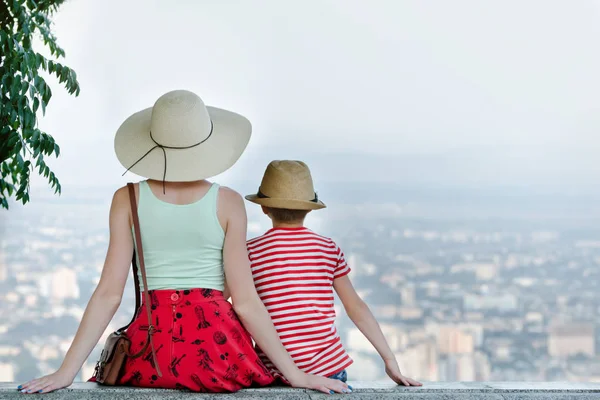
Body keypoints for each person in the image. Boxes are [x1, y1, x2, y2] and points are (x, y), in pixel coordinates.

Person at [18, 91, 350, 395]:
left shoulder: (127, 198)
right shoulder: (229, 202)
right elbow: (246, 302)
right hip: (219, 353)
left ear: (153, 141)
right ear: (207, 144)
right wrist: (297, 375)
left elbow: (108, 294)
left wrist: (67, 371)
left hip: (151, 352)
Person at [243, 160, 423, 386]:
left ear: (264, 207)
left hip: (275, 371)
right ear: (310, 208)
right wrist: (389, 359)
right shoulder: (328, 248)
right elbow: (356, 307)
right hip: (328, 370)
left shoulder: (250, 251)